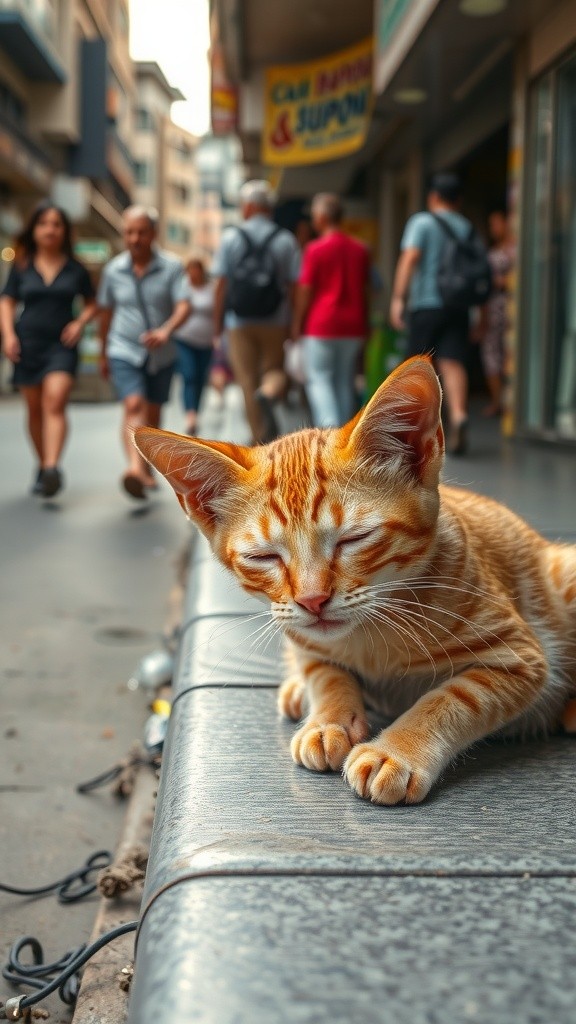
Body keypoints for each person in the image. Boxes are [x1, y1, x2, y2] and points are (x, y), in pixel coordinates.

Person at [0, 201, 97, 498]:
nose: (50, 229)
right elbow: (7, 301)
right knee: (34, 408)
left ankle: (53, 467)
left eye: (56, 224)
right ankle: (42, 465)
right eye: (44, 224)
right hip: (27, 342)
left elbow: (92, 303)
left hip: (62, 344)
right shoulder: (22, 266)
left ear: (64, 231)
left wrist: (80, 322)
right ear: (35, 229)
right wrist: (7, 336)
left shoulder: (75, 269)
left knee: (54, 401)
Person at [97, 206, 191, 499]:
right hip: (123, 348)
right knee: (133, 404)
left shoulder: (172, 267)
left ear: (153, 234)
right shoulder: (113, 270)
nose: (135, 238)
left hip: (161, 354)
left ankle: (145, 465)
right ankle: (135, 469)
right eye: (129, 232)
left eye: (141, 232)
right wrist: (103, 352)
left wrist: (166, 330)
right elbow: (106, 313)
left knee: (152, 412)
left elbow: (184, 306)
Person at [389, 172, 474, 455]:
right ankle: (459, 416)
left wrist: (398, 297)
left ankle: (412, 431)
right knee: (452, 362)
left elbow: (410, 257)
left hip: (426, 304)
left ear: (433, 197)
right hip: (459, 306)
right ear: (459, 200)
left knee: (418, 365)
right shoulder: (467, 227)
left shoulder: (422, 222)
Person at [212, 179, 300, 444]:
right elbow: (294, 286)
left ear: (249, 206)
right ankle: (271, 391)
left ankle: (260, 441)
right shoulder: (285, 239)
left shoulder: (230, 237)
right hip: (275, 319)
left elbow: (220, 286)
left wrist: (217, 326)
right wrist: (293, 322)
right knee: (274, 368)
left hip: (239, 321)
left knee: (247, 381)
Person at [291, 192, 371, 428]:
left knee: (319, 380)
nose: (313, 220)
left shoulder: (314, 249)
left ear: (323, 217)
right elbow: (366, 290)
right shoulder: (360, 249)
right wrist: (366, 324)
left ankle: (330, 435)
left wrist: (297, 323)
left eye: (315, 215)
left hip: (322, 324)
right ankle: (345, 437)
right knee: (344, 382)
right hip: (353, 325)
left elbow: (305, 290)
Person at [475, 209, 514, 417]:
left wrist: (503, 282)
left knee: (509, 354)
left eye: (496, 223)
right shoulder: (495, 249)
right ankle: (498, 400)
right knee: (492, 355)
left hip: (510, 309)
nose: (493, 229)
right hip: (492, 309)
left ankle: (508, 402)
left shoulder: (515, 249)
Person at [173, 253, 216, 435]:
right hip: (184, 339)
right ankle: (190, 415)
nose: (193, 272)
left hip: (205, 342)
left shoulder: (211, 288)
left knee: (200, 378)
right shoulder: (182, 287)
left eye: (196, 268)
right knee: (189, 375)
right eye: (190, 269)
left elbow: (217, 312)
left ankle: (196, 411)